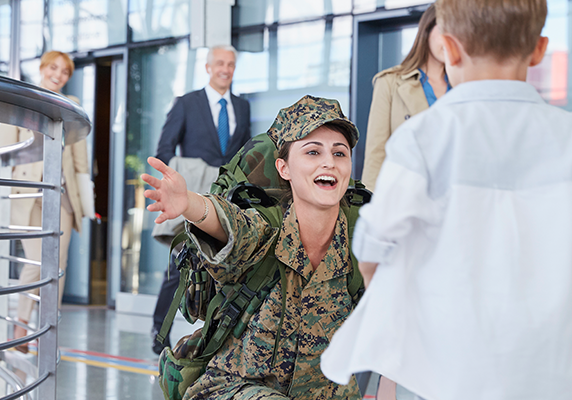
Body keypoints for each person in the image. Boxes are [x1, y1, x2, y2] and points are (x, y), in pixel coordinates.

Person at [321, 1, 572, 399]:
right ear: (540, 49)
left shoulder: (424, 136)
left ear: (450, 48)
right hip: (549, 365)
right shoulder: (566, 137)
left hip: (445, 366)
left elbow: (373, 244)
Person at [143, 96, 363, 399]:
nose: (329, 162)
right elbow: (229, 223)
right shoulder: (266, 230)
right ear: (283, 168)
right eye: (313, 151)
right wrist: (189, 203)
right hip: (234, 388)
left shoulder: (360, 238)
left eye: (340, 153)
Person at [0, 50, 94, 353]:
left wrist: (86, 200)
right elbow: (3, 152)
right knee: (37, 261)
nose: (58, 75)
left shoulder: (73, 108)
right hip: (27, 194)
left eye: (65, 72)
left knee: (57, 265)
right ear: (43, 68)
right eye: (54, 68)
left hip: (62, 197)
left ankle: (48, 328)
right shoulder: (23, 98)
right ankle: (21, 324)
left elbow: (81, 163)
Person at [151, 44, 251, 354]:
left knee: (226, 263)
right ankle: (160, 329)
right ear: (208, 67)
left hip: (226, 200)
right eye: (220, 63)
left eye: (231, 64)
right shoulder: (186, 104)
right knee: (181, 263)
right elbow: (165, 149)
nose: (226, 69)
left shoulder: (242, 106)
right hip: (191, 194)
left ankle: (218, 335)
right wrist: (180, 179)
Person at [361, 4, 450, 191]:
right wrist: (370, 204)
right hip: (406, 195)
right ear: (427, 30)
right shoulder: (390, 82)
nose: (450, 40)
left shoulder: (463, 86)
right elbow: (376, 155)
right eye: (445, 30)